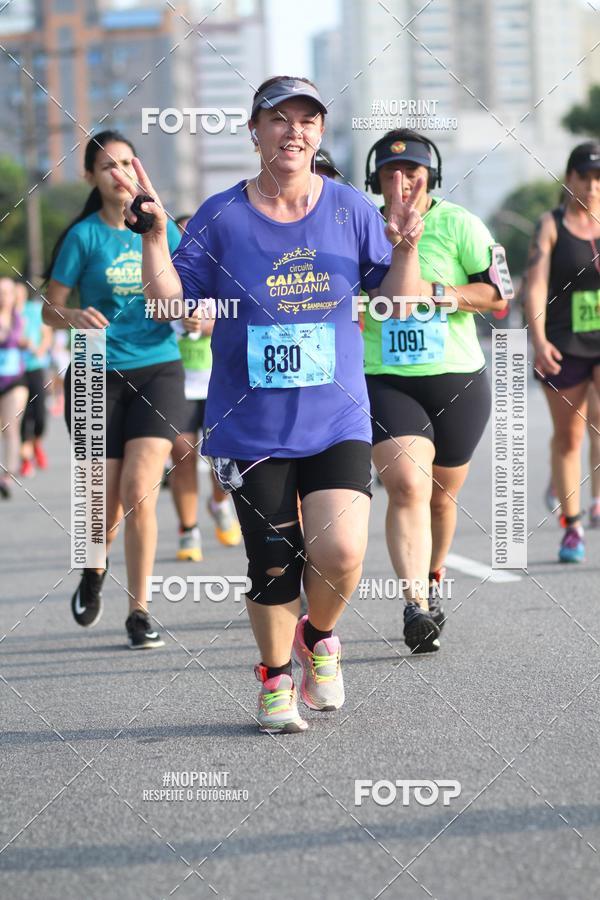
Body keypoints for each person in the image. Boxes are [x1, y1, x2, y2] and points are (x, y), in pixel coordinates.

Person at [113, 75, 424, 733]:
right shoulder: (223, 215)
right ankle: (276, 677)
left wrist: (406, 249)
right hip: (251, 423)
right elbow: (169, 306)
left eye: (307, 120)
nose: (294, 131)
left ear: (320, 132)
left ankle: (320, 636)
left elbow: (398, 304)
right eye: (279, 119)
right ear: (255, 131)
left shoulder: (349, 209)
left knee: (341, 553)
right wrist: (155, 236)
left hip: (336, 415)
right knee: (274, 562)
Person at [363, 129, 510, 651]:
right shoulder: (363, 226)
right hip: (386, 378)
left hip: (457, 377)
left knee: (443, 498)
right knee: (408, 485)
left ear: (432, 176)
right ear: (376, 180)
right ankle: (415, 605)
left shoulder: (461, 223)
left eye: (413, 171)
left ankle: (432, 577)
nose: (402, 180)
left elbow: (499, 294)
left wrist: (438, 293)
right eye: (390, 172)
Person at [42, 130, 185, 648]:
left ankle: (139, 612)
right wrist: (73, 315)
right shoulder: (83, 237)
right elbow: (49, 308)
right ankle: (93, 567)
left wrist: (196, 315)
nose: (120, 174)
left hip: (158, 367)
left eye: (127, 163)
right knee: (101, 504)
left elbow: (189, 290)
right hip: (93, 371)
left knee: (139, 489)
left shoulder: (161, 225)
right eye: (108, 166)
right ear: (91, 177)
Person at [526, 141, 600, 562]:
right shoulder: (551, 224)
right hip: (564, 341)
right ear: (570, 179)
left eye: (599, 179)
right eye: (585, 178)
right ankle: (572, 525)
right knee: (570, 435)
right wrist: (538, 339)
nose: (592, 186)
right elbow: (536, 284)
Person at [169, 214, 242, 561]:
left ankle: (218, 503)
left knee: (221, 459)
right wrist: (181, 322)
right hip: (179, 384)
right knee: (182, 455)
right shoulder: (166, 277)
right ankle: (188, 531)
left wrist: (211, 324)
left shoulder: (224, 273)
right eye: (182, 235)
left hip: (218, 383)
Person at [544, 382, 600, 527]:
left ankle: (597, 502)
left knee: (597, 421)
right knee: (569, 431)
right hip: (569, 370)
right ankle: (560, 477)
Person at [18, 283, 53, 476]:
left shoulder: (33, 310)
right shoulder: (7, 313)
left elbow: (46, 334)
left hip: (36, 366)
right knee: (22, 414)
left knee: (40, 414)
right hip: (16, 371)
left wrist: (40, 349)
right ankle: (25, 458)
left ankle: (36, 441)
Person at [0, 277, 28, 499]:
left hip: (15, 380)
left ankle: (7, 476)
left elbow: (26, 340)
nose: (3, 297)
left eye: (6, 292)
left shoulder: (20, 318)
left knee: (10, 427)